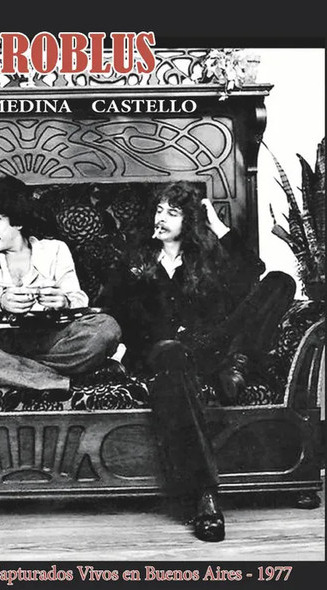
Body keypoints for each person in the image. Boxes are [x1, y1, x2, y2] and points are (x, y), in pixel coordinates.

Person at [101, 182, 295, 542]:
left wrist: (218, 227)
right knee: (174, 350)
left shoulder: (205, 259)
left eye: (172, 213)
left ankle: (236, 358)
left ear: (189, 221)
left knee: (280, 282)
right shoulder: (135, 260)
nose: (161, 218)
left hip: (208, 346)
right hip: (161, 353)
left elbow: (252, 271)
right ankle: (205, 496)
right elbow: (111, 310)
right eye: (159, 210)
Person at [0, 176, 122, 398]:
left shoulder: (55, 250)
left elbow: (79, 298)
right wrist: (0, 302)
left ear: (18, 221)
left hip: (52, 342)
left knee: (106, 328)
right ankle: (60, 380)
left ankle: (13, 373)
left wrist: (64, 301)